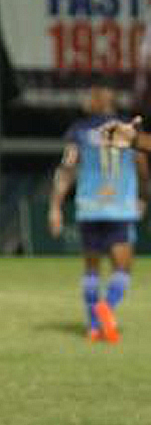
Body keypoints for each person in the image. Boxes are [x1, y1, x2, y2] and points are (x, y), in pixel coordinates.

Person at [49, 86, 147, 342]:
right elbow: (142, 166)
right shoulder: (125, 128)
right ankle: (107, 306)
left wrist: (55, 206)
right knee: (123, 268)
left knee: (91, 268)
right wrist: (144, 196)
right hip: (120, 207)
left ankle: (93, 325)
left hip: (88, 208)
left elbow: (66, 168)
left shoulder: (78, 131)